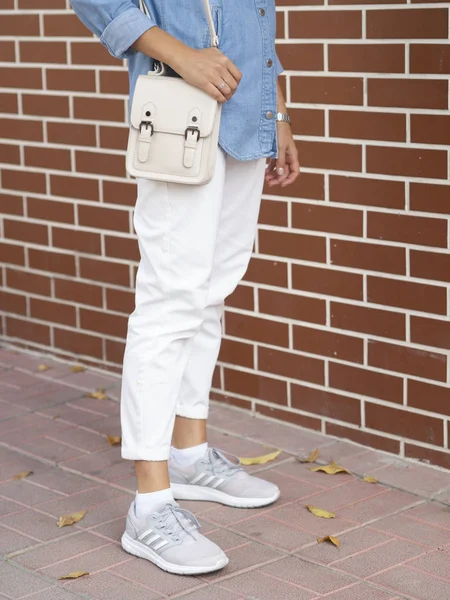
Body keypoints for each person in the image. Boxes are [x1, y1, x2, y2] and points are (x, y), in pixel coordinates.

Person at [71, 0, 300, 576]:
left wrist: (279, 112)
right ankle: (149, 507)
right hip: (179, 112)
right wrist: (182, 58)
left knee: (211, 291)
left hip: (248, 117)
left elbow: (255, 17)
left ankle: (191, 454)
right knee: (171, 301)